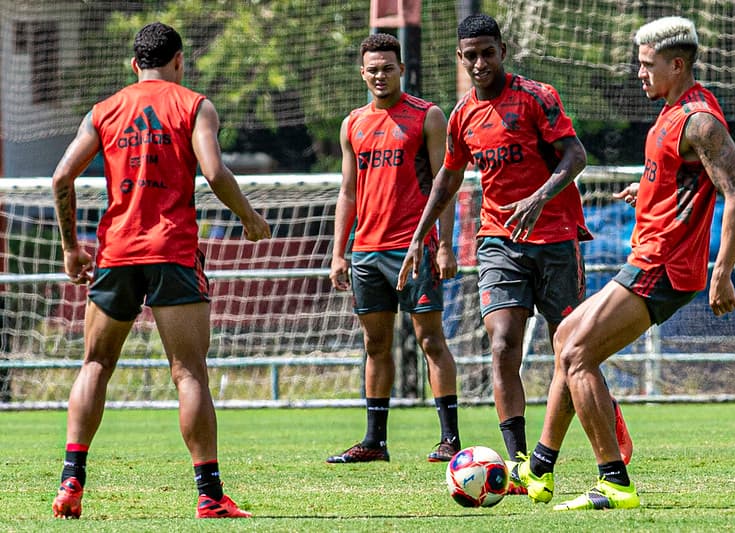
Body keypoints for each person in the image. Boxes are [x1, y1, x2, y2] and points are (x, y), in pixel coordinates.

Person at [516, 16, 735, 510]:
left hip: (664, 266)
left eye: (647, 65)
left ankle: (614, 481)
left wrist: (723, 271)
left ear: (678, 64)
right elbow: (680, 180)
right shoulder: (671, 113)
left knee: (578, 353)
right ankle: (539, 469)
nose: (639, 73)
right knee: (564, 340)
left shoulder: (699, 120)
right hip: (648, 258)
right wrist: (644, 191)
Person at [396, 13, 632, 495]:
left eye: (488, 52)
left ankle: (605, 435)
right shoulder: (462, 115)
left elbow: (576, 155)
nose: (480, 62)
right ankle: (521, 464)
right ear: (460, 59)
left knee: (570, 350)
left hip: (557, 240)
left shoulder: (536, 98)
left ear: (503, 51)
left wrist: (540, 196)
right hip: (499, 241)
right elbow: (447, 177)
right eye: (470, 55)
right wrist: (419, 237)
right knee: (502, 344)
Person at [50, 22, 271, 519]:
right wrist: (249, 218)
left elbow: (62, 176)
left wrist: (70, 249)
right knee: (188, 371)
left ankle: (70, 481)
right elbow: (214, 172)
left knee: (95, 365)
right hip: (171, 249)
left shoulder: (104, 111)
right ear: (179, 61)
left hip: (116, 252)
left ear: (134, 65)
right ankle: (210, 496)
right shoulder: (194, 105)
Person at [325, 33, 462, 464]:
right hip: (366, 251)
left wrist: (443, 246)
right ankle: (374, 442)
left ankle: (450, 439)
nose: (380, 75)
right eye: (373, 68)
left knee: (430, 340)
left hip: (415, 248)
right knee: (374, 345)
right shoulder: (352, 124)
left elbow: (446, 185)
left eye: (388, 67)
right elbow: (347, 192)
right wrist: (339, 252)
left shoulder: (428, 117)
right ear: (361, 73)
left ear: (401, 69)